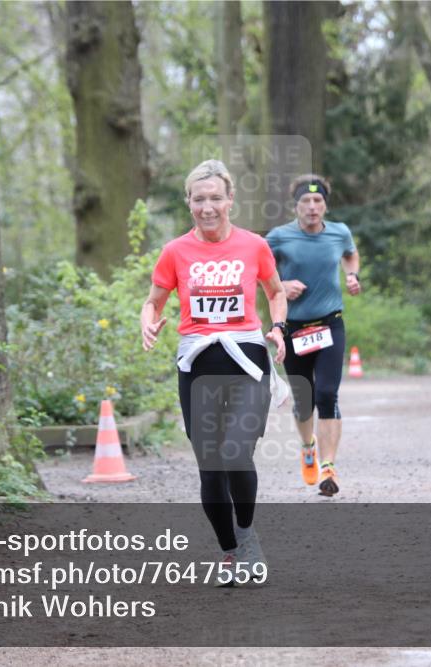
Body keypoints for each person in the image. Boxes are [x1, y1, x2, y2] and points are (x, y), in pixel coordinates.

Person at [141, 159, 287, 586]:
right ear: (189, 202)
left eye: (215, 198)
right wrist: (148, 321)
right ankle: (230, 551)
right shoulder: (175, 251)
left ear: (230, 201)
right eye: (199, 199)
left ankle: (246, 537)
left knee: (236, 453)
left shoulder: (253, 245)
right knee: (210, 465)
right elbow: (153, 301)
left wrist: (277, 328)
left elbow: (275, 292)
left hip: (246, 359)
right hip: (198, 363)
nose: (208, 206)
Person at [265, 174, 360, 497]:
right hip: (294, 330)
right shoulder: (279, 237)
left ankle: (329, 467)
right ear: (296, 206)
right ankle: (308, 447)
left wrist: (352, 275)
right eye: (305, 201)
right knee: (304, 400)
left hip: (330, 325)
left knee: (327, 394)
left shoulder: (339, 232)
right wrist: (281, 285)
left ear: (325, 205)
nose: (312, 207)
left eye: (318, 201)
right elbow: (259, 270)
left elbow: (350, 253)